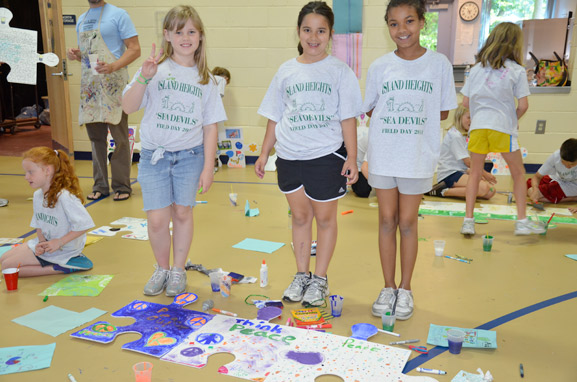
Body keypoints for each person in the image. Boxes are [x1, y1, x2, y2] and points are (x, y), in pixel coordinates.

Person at [255, 1, 361, 307]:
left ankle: (320, 279)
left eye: (321, 30)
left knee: (325, 220)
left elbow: (348, 117)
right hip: (289, 156)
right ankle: (301, 274)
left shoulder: (340, 72)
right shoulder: (286, 71)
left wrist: (352, 157)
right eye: (307, 29)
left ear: (330, 34)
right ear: (298, 31)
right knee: (300, 217)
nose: (313, 37)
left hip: (326, 155)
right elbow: (275, 116)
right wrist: (264, 153)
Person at [122, 5, 226, 297]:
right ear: (167, 35)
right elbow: (128, 107)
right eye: (178, 31)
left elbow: (210, 128)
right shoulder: (155, 70)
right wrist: (143, 77)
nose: (185, 37)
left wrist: (208, 167)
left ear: (200, 36)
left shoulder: (207, 80)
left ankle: (178, 270)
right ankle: (162, 268)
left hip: (189, 158)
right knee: (156, 219)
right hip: (156, 157)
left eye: (191, 31)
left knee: (182, 213)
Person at [362, 0, 457, 320]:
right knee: (386, 220)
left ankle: (406, 288)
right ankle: (387, 286)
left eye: (409, 21)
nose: (401, 30)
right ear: (387, 26)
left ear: (422, 23)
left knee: (407, 222)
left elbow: (443, 110)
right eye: (393, 23)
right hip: (385, 154)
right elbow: (372, 108)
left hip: (417, 155)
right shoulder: (379, 66)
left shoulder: (439, 64)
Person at [461, 22, 545, 236]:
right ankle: (522, 221)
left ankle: (468, 221)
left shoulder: (476, 69)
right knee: (518, 174)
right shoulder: (516, 71)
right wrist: (512, 119)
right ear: (515, 44)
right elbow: (523, 105)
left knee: (475, 174)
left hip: (479, 128)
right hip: (502, 128)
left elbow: (465, 103)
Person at [67, 0, 141, 202]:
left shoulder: (118, 15)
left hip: (113, 84)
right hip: (91, 86)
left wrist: (114, 66)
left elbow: (134, 49)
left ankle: (122, 185)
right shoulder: (82, 19)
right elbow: (89, 55)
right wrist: (75, 55)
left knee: (119, 139)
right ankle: (100, 185)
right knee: (96, 139)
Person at [0, 148, 94, 277]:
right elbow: (39, 224)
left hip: (63, 248)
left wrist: (59, 242)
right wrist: (41, 243)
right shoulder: (38, 195)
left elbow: (85, 225)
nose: (26, 177)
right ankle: (52, 262)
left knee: (7, 267)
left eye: (31, 172)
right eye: (26, 172)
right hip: (46, 245)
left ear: (48, 170)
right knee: (3, 259)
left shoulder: (65, 196)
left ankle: (60, 268)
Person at [427, 105, 497, 199]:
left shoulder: (463, 136)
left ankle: (461, 190)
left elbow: (463, 164)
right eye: (468, 117)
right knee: (483, 188)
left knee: (491, 191)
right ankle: (443, 191)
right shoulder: (455, 135)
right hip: (449, 175)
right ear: (459, 117)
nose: (471, 121)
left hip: (460, 172)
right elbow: (467, 162)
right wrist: (484, 174)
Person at [527, 138, 577, 204]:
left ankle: (573, 198)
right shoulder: (556, 155)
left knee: (531, 191)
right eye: (563, 162)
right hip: (559, 178)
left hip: (573, 185)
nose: (567, 167)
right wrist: (535, 190)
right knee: (528, 185)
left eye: (572, 164)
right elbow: (537, 177)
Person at [351, 123, 372, 198]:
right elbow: (364, 168)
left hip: (369, 162)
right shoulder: (375, 140)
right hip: (357, 163)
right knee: (363, 191)